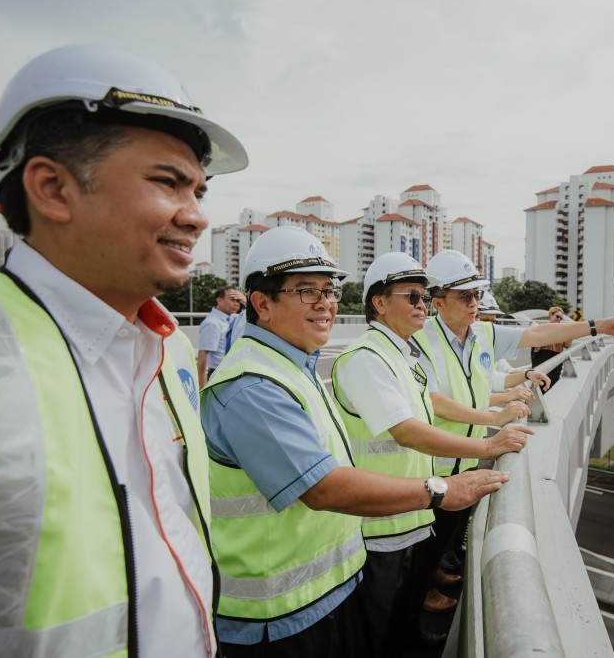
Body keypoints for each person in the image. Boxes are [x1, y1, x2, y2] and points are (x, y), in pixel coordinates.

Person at [0, 44, 248, 657]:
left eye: (200, 192)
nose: (196, 216)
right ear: (52, 188)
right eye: (167, 182)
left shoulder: (170, 349)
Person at [200, 228, 512, 657]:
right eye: (307, 291)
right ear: (263, 303)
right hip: (275, 616)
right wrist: (442, 488)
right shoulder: (254, 383)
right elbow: (323, 486)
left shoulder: (296, 367)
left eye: (330, 291)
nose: (326, 303)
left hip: (326, 586)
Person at [411, 250, 614, 621]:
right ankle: (418, 611)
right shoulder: (422, 340)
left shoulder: (482, 333)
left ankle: (427, 590)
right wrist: (494, 416)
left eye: (477, 295)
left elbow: (539, 333)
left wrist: (598, 326)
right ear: (438, 302)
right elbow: (436, 403)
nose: (474, 303)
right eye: (465, 296)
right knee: (422, 546)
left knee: (442, 539)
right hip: (432, 461)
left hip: (464, 460)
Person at [330, 252, 533, 654]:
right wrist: (488, 444)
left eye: (425, 297)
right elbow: (408, 432)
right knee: (377, 631)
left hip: (408, 515)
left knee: (405, 613)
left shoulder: (404, 358)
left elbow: (436, 406)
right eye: (412, 297)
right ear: (380, 302)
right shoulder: (368, 359)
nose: (424, 305)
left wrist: (491, 416)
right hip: (379, 527)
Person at [196, 284, 244, 385]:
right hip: (218, 374)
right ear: (219, 300)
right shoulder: (212, 323)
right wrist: (202, 386)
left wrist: (246, 300)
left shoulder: (234, 318)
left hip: (232, 373)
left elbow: (256, 316)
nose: (236, 304)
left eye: (238, 300)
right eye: (232, 299)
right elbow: (202, 354)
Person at [529, 306, 574, 387]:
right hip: (542, 356)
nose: (559, 319)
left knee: (553, 383)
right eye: (557, 316)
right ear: (551, 315)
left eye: (561, 318)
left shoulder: (562, 330)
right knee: (540, 384)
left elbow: (567, 345)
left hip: (557, 356)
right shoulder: (542, 327)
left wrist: (571, 334)